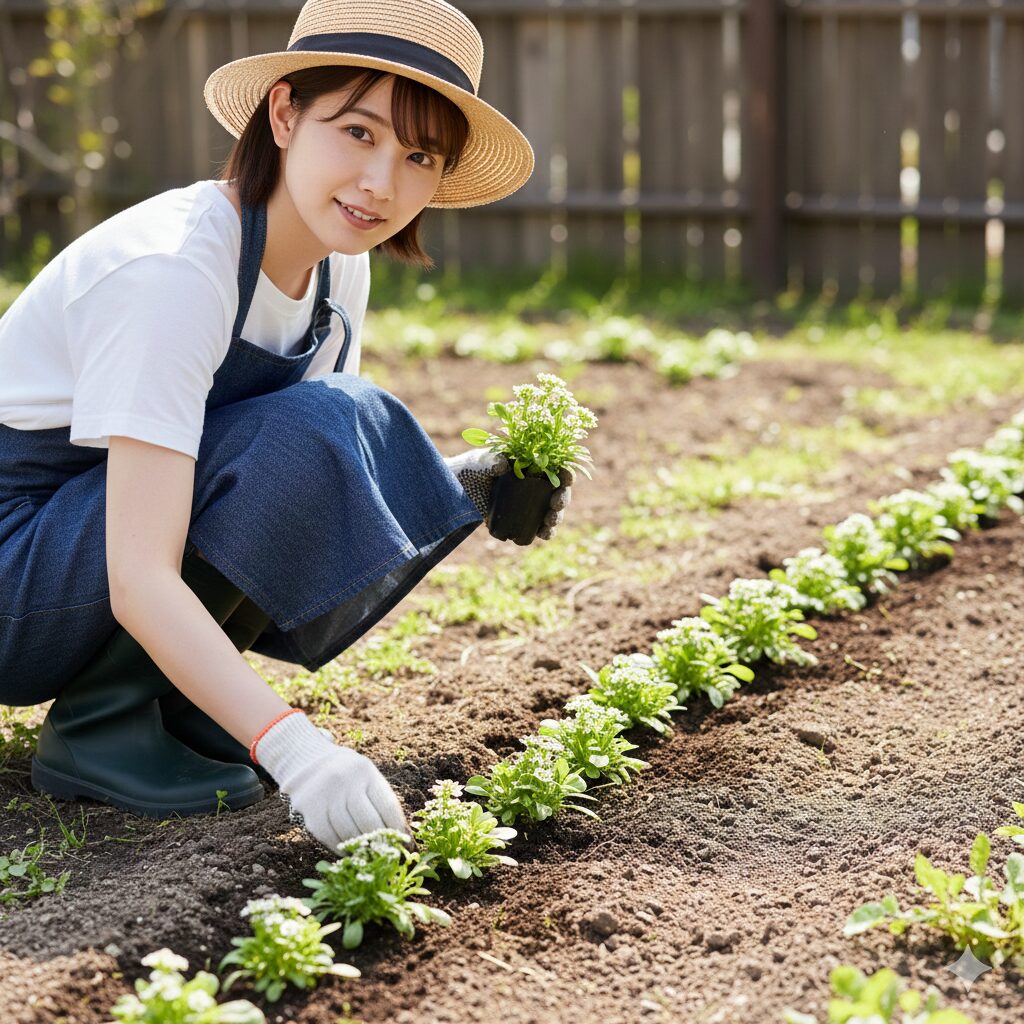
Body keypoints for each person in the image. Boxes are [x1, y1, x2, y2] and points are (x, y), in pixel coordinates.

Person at [0, 0, 573, 852]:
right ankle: (102, 730)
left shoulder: (339, 271)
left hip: (85, 546)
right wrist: (298, 749)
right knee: (327, 421)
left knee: (342, 421)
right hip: (18, 571)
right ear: (284, 113)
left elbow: (287, 496)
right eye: (357, 132)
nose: (383, 183)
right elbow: (141, 573)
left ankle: (179, 708)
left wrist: (470, 487)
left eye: (420, 156)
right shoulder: (176, 272)